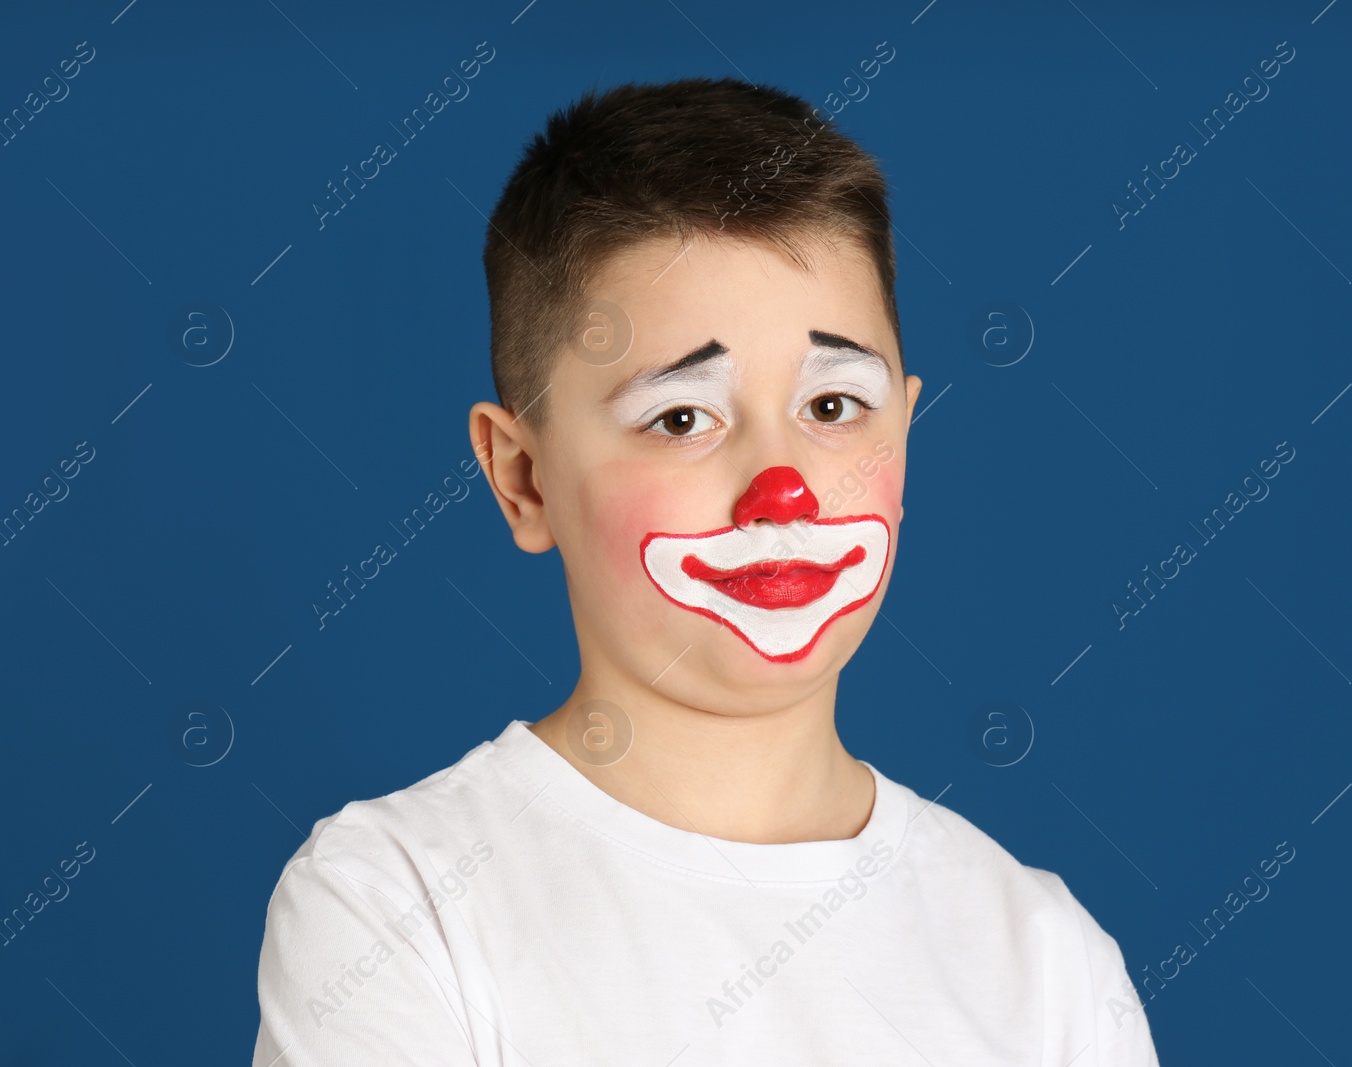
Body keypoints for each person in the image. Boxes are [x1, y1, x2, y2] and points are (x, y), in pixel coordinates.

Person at [252, 75, 1161, 1066]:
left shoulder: (1044, 959)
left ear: (904, 426)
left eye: (832, 407)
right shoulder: (396, 903)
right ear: (523, 477)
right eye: (681, 418)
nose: (782, 490)